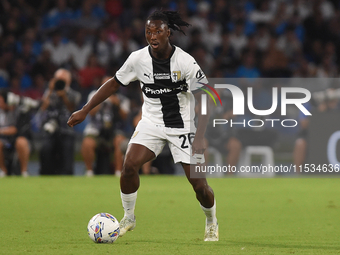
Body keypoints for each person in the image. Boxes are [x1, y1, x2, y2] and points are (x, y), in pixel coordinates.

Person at [68, 10, 218, 241]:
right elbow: (113, 84)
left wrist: (200, 135)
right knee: (129, 166)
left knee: (200, 187)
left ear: (169, 32)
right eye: (149, 31)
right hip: (151, 124)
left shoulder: (185, 61)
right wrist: (85, 110)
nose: (153, 35)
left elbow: (208, 97)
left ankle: (211, 221)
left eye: (158, 31)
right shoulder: (138, 59)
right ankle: (129, 216)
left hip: (184, 128)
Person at [81, 76, 130, 177]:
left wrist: (117, 104)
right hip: (96, 129)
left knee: (120, 142)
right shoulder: (93, 95)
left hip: (115, 130)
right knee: (87, 143)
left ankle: (118, 173)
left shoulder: (122, 99)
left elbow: (125, 117)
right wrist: (101, 98)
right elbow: (91, 113)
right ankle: (89, 172)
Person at [39, 68, 81, 175]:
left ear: (69, 81)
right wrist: (50, 90)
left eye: (63, 79)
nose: (60, 81)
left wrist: (64, 96)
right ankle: (45, 174)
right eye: (58, 79)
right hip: (49, 128)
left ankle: (67, 174)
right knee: (45, 149)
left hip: (66, 128)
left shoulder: (74, 94)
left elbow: (73, 108)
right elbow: (42, 108)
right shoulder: (49, 92)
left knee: (67, 152)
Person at [0, 90, 38, 177]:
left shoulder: (19, 110)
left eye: (1, 101)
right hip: (4, 139)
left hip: (19, 138)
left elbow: (15, 129)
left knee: (21, 142)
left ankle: (24, 171)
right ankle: (3, 170)